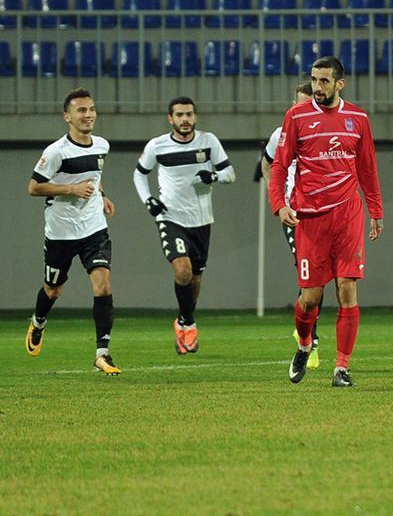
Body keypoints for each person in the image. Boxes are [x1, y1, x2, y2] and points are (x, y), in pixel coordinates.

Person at [269, 56, 384, 388]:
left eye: (324, 81)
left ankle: (341, 369)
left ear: (339, 84)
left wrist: (375, 211)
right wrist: (279, 205)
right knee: (310, 299)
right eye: (314, 80)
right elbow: (280, 166)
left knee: (347, 289)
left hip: (348, 215)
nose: (317, 87)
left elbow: (367, 167)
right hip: (311, 219)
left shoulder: (357, 118)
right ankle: (305, 344)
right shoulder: (296, 116)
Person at [25, 87, 121, 375]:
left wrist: (101, 195)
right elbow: (34, 187)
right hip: (61, 233)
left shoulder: (101, 145)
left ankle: (102, 354)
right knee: (53, 289)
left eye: (91, 109)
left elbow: (95, 175)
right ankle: (39, 321)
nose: (88, 114)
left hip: (94, 228)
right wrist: (71, 189)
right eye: (81, 110)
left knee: (103, 284)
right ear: (68, 116)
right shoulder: (56, 152)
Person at [133, 97, 236, 355]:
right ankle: (189, 324)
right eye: (179, 115)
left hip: (201, 220)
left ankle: (182, 320)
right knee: (183, 272)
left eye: (189, 114)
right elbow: (139, 173)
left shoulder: (208, 141)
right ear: (170, 119)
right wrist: (148, 200)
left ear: (195, 116)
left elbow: (229, 174)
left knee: (195, 278)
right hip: (170, 217)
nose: (185, 119)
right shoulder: (157, 145)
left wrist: (213, 176)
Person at [261, 82, 322, 370]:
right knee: (310, 277)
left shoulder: (329, 131)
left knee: (324, 279)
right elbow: (267, 164)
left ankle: (306, 333)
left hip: (325, 212)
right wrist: (278, 199)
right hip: (296, 214)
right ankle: (311, 341)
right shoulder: (281, 134)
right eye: (300, 104)